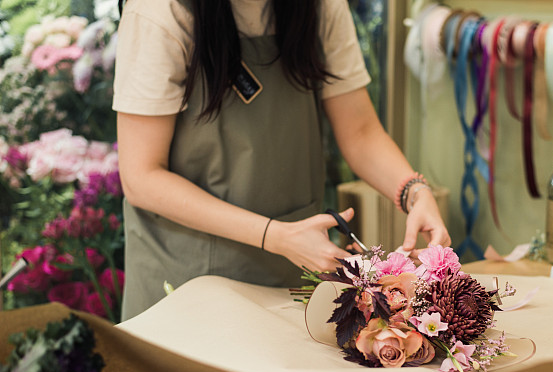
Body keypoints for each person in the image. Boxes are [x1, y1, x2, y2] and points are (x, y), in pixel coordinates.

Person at [112, 0, 450, 320]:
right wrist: (275, 236)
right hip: (186, 279)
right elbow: (142, 177)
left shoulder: (319, 7)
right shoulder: (161, 11)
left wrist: (414, 191)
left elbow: (360, 131)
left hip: (291, 271)